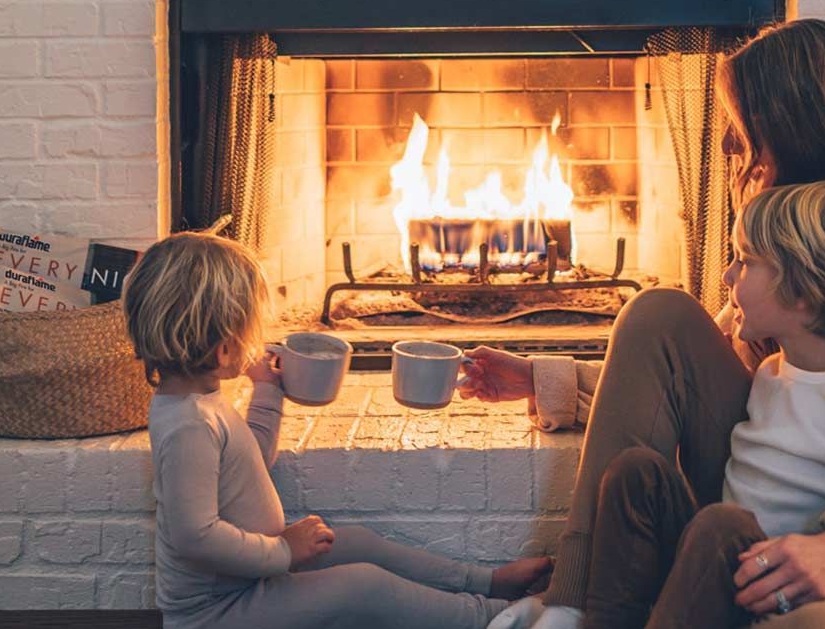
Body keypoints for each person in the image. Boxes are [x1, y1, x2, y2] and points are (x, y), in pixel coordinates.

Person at [462, 18, 825, 629]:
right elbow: (741, 390)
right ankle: (569, 607)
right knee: (660, 312)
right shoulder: (782, 232)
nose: (730, 147)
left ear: (795, 127)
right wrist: (549, 382)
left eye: (742, 126)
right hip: (760, 523)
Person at [124, 232, 551, 629]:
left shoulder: (198, 399)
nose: (257, 340)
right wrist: (285, 551)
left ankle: (486, 582)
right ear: (222, 349)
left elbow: (247, 456)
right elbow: (194, 538)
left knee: (358, 544)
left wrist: (267, 391)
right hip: (219, 611)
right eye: (248, 331)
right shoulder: (189, 426)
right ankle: (492, 618)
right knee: (362, 585)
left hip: (247, 577)